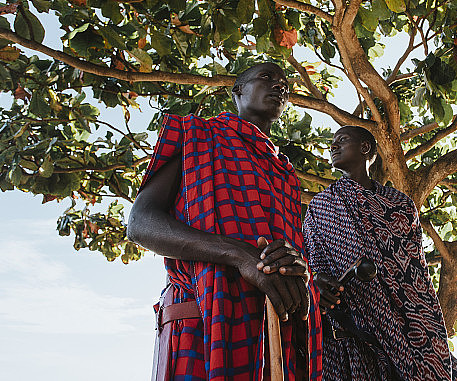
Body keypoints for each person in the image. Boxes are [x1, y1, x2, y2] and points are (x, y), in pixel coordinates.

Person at [127, 62, 322, 381]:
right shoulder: (197, 137)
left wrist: (297, 269)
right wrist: (241, 255)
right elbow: (140, 224)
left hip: (274, 336)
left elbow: (289, 252)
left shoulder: (286, 174)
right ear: (238, 90)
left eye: (285, 83)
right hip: (202, 323)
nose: (279, 86)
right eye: (267, 77)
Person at [303, 126, 457, 381]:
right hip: (351, 325)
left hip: (410, 319)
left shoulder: (401, 203)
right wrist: (319, 286)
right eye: (332, 143)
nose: (333, 146)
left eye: (342, 140)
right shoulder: (321, 206)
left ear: (365, 148)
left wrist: (421, 318)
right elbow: (313, 266)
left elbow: (417, 269)